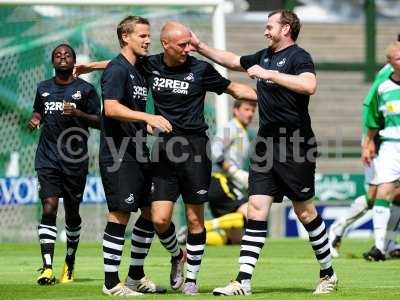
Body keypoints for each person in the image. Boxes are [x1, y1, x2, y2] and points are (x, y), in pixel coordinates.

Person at [77, 20, 257, 295]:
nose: (188, 48)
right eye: (183, 44)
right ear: (167, 44)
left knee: (187, 218)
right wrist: (91, 67)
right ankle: (167, 260)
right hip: (154, 152)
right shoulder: (149, 64)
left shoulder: (200, 68)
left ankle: (188, 280)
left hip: (194, 151)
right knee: (157, 219)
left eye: (189, 43)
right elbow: (119, 67)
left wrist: (272, 92)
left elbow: (237, 90)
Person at [190, 9, 338, 295]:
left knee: (305, 212)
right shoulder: (264, 55)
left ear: (286, 29)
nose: (265, 30)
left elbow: (310, 85)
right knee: (256, 209)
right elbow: (233, 61)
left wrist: (270, 74)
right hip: (266, 145)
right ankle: (243, 281)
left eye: (270, 26)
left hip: (295, 146)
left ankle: (328, 273)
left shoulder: (298, 56)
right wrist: (200, 47)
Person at [98, 16, 175, 296]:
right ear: (125, 38)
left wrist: (146, 124)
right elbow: (112, 108)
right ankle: (110, 283)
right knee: (119, 215)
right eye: (142, 35)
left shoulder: (138, 69)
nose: (147, 40)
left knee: (150, 212)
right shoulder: (117, 70)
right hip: (119, 154)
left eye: (148, 35)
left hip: (138, 151)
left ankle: (135, 276)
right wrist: (148, 116)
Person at [29, 44, 101, 285]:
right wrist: (35, 119)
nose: (63, 58)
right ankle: (47, 267)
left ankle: (69, 262)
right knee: (49, 207)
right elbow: (38, 111)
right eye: (58, 55)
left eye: (67, 55)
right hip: (47, 158)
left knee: (72, 213)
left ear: (74, 61)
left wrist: (78, 114)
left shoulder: (86, 89)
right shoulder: (43, 88)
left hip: (75, 160)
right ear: (53, 62)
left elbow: (100, 122)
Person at [329, 60, 400, 259]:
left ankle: (388, 243)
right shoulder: (388, 71)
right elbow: (371, 105)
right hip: (379, 140)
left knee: (396, 194)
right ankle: (336, 230)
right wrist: (368, 142)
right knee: (373, 196)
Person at [177, 100, 256, 246]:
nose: (250, 113)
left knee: (236, 238)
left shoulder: (242, 131)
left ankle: (190, 236)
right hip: (220, 182)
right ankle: (194, 229)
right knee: (250, 212)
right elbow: (214, 151)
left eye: (253, 110)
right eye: (246, 109)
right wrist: (233, 171)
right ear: (236, 110)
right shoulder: (231, 128)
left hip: (226, 183)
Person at [361, 41, 400, 261]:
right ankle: (379, 247)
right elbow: (373, 120)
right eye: (399, 57)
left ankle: (389, 243)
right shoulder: (382, 88)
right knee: (383, 192)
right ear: (389, 63)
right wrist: (368, 143)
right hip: (391, 146)